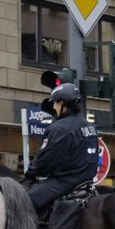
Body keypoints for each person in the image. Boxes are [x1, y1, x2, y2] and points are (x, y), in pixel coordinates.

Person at [24, 83, 99, 217]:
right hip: (87, 183)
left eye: (55, 103)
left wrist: (30, 174)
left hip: (63, 183)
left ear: (62, 103)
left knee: (21, 203)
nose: (53, 107)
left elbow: (44, 162)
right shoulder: (89, 126)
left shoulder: (59, 128)